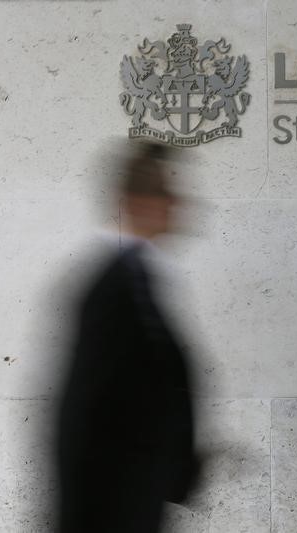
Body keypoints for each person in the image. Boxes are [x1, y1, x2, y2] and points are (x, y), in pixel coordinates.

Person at [55, 142, 198, 532]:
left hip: (134, 502)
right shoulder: (113, 288)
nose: (179, 204)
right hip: (112, 510)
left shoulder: (139, 281)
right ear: (135, 202)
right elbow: (81, 413)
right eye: (167, 194)